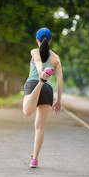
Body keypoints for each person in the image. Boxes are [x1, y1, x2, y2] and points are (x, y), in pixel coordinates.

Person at [23, 27, 63, 168]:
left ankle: (40, 82)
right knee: (40, 127)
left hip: (34, 82)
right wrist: (58, 100)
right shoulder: (56, 58)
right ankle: (35, 159)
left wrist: (40, 73)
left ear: (37, 40)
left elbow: (38, 60)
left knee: (27, 111)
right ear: (50, 40)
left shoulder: (34, 51)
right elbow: (60, 80)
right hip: (48, 89)